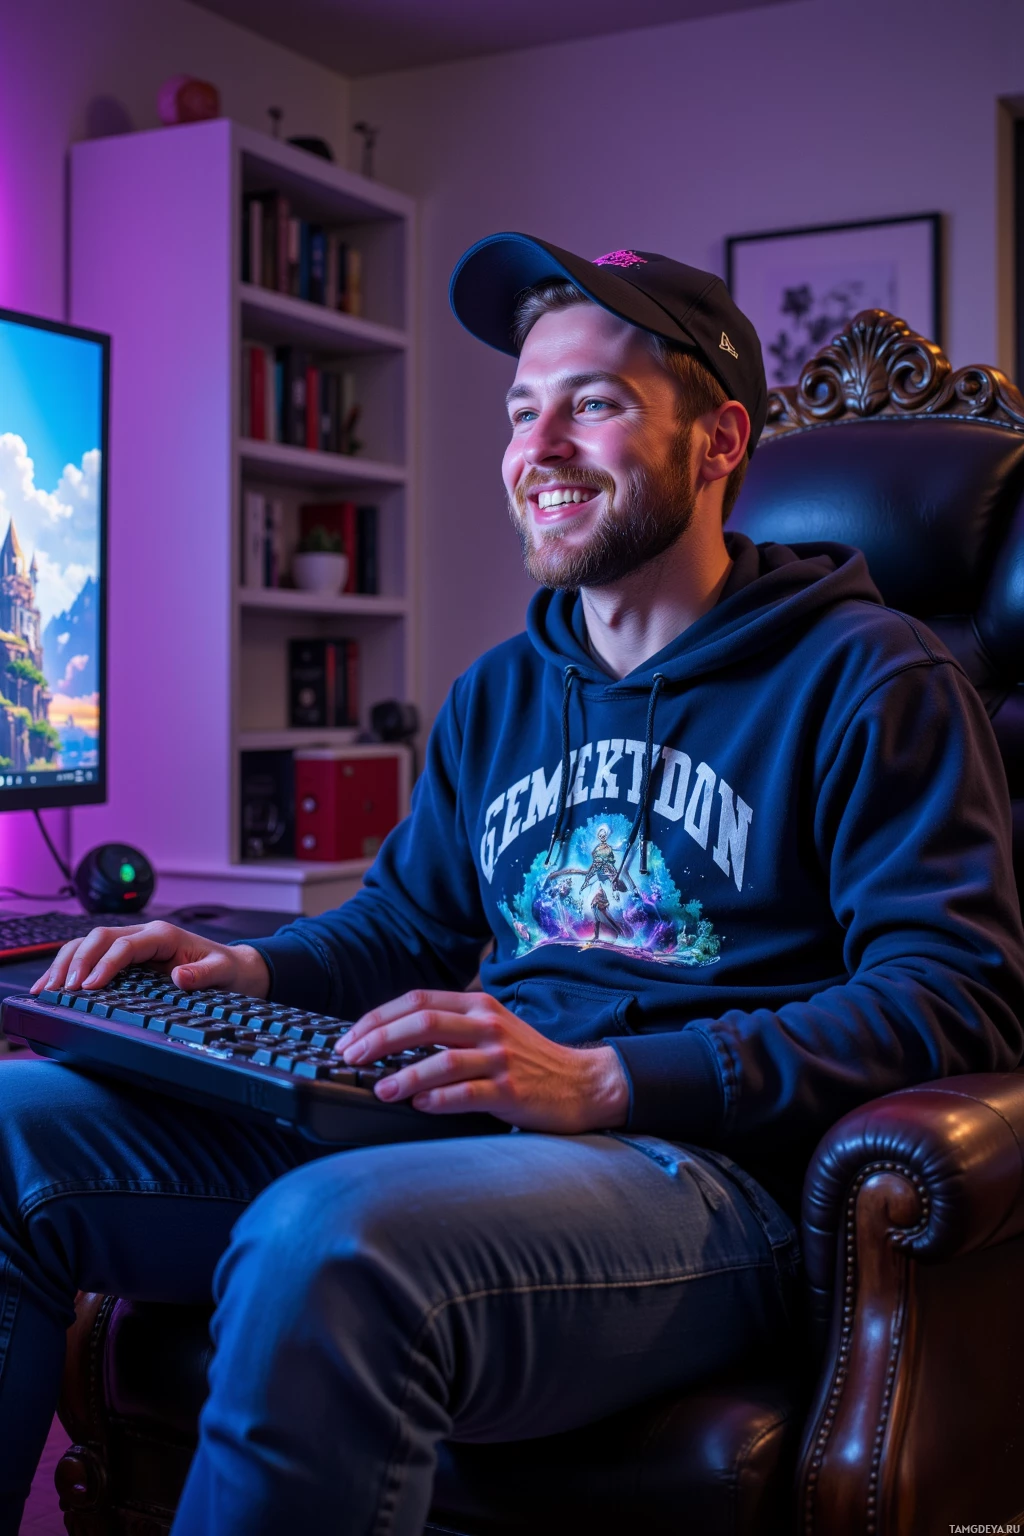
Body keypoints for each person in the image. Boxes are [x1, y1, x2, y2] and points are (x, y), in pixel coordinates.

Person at [2, 233, 1023, 1536]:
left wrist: (608, 1080)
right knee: (12, 1127)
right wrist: (245, 968)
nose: (536, 446)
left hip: (699, 1175)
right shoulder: (501, 690)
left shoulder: (869, 679)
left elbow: (955, 1001)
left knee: (331, 1240)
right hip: (466, 1132)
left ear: (717, 444)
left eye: (592, 404)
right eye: (520, 408)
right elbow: (410, 923)